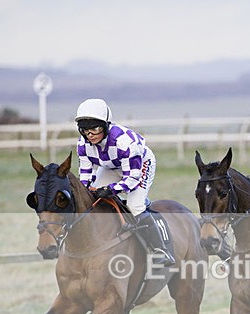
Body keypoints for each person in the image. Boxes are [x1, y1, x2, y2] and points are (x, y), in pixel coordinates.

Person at [75, 98, 175, 266]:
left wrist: (111, 189)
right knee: (93, 200)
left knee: (135, 205)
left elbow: (132, 179)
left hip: (139, 165)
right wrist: (85, 190)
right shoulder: (83, 144)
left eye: (95, 128)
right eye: (85, 130)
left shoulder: (124, 143)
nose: (90, 134)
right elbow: (85, 174)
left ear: (106, 126)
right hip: (111, 166)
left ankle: (161, 249)